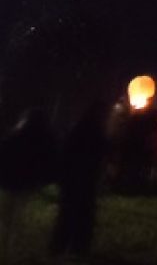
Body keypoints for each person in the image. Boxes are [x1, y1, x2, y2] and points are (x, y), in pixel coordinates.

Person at [51, 103, 108, 258]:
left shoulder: (77, 128)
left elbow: (66, 151)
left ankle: (60, 245)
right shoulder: (96, 132)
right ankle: (77, 247)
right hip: (85, 178)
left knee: (67, 213)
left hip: (72, 178)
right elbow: (101, 152)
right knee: (83, 214)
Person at [0, 109, 57, 262]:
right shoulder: (46, 139)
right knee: (18, 219)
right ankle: (13, 252)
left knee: (6, 218)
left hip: (9, 182)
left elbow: (3, 154)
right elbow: (50, 162)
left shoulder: (16, 135)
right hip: (27, 184)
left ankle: (5, 249)